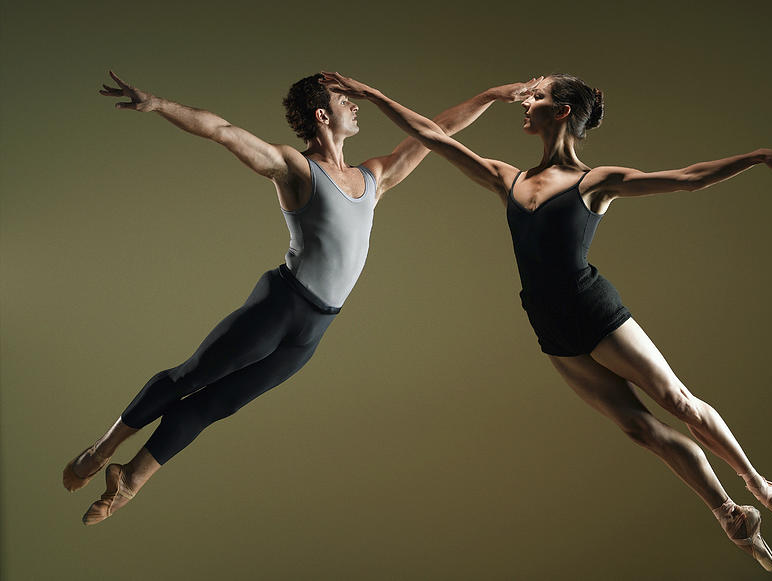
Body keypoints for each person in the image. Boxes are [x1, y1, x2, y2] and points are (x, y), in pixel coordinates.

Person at [320, 71, 772, 571]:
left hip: (593, 311)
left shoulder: (594, 182)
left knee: (676, 400)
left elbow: (687, 178)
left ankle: (757, 482)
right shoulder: (505, 177)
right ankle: (731, 514)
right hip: (550, 328)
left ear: (561, 112)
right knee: (641, 430)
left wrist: (756, 157)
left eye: (537, 96)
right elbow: (431, 135)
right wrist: (377, 96)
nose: (526, 101)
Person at [63, 71, 541, 526]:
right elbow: (224, 131)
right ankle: (101, 451)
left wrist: (490, 97)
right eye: (342, 99)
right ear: (321, 115)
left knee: (217, 405)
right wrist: (158, 104)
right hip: (279, 307)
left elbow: (434, 133)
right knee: (190, 377)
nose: (354, 104)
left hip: (313, 331)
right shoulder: (296, 168)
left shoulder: (373, 177)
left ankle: (128, 480)